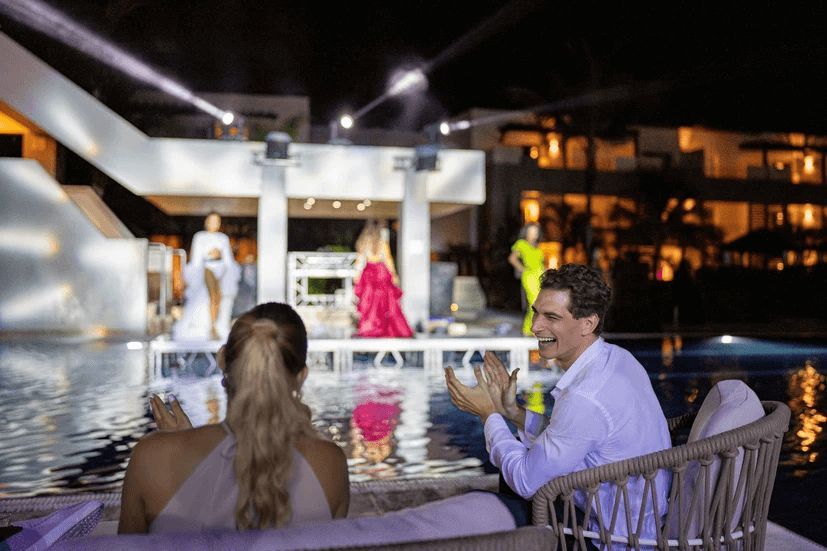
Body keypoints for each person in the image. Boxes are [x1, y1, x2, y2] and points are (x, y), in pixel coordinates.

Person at [445, 264, 671, 542]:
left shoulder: (585, 397)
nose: (534, 326)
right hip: (634, 516)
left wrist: (488, 414)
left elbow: (527, 481)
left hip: (611, 535)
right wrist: (512, 412)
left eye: (551, 317)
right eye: (535, 312)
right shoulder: (618, 358)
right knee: (510, 470)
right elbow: (571, 435)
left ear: (588, 323)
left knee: (481, 509)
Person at [119, 303, 350, 533]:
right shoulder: (329, 464)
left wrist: (182, 444)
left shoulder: (152, 459)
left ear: (222, 360)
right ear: (301, 376)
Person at [174, 212, 241, 341]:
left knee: (219, 299)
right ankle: (211, 327)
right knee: (212, 297)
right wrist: (211, 255)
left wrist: (222, 263)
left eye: (217, 221)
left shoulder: (223, 238)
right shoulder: (200, 237)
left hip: (221, 271)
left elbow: (228, 260)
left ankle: (215, 326)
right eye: (212, 220)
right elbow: (197, 258)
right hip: (206, 269)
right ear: (206, 222)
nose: (214, 223)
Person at [353, 221, 413, 337]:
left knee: (371, 302)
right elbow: (388, 260)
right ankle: (385, 327)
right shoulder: (382, 243)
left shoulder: (364, 243)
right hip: (381, 272)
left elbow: (359, 261)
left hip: (369, 273)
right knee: (386, 302)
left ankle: (371, 327)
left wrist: (357, 276)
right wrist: (394, 275)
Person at [508, 223, 545, 336]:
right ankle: (530, 328)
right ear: (526, 232)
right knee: (534, 301)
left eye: (535, 232)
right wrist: (523, 269)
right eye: (530, 232)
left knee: (540, 302)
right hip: (529, 276)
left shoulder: (538, 246)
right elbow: (512, 258)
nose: (533, 234)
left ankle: (529, 328)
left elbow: (540, 263)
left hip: (540, 275)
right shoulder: (521, 244)